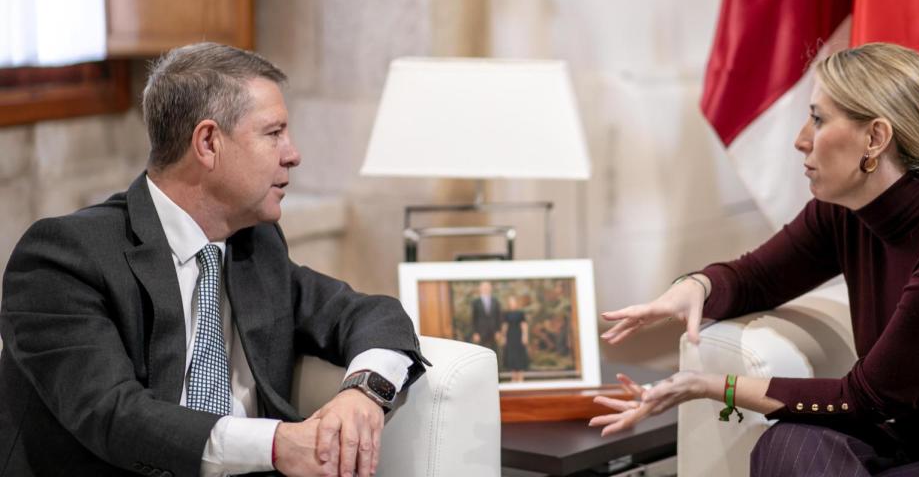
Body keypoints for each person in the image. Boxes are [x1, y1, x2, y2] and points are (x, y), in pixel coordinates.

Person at [591, 43, 919, 475]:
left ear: (875, 138)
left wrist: (707, 385)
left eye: (817, 119)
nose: (801, 140)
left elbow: (864, 400)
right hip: (907, 435)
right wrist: (695, 287)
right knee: (788, 444)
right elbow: (757, 278)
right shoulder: (844, 212)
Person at [0, 43, 427, 477]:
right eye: (273, 133)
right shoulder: (62, 257)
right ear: (207, 143)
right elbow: (115, 415)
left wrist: (362, 392)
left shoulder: (254, 246)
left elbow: (369, 314)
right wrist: (279, 445)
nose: (293, 154)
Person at [500, 295, 530, 383]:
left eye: (514, 302)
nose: (512, 304)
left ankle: (521, 377)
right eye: (511, 302)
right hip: (510, 336)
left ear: (516, 303)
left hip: (519, 336)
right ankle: (513, 377)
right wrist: (504, 337)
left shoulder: (520, 313)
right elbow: (505, 326)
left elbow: (524, 325)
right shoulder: (506, 314)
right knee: (512, 356)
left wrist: (525, 336)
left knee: (519, 356)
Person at [470, 280, 502, 351]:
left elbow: (499, 317)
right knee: (481, 352)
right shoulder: (476, 302)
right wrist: (475, 333)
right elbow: (473, 319)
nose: (486, 289)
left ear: (491, 288)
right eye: (484, 287)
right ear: (480, 289)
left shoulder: (495, 301)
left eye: (487, 287)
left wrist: (498, 331)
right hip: (480, 332)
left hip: (493, 333)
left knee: (494, 352)